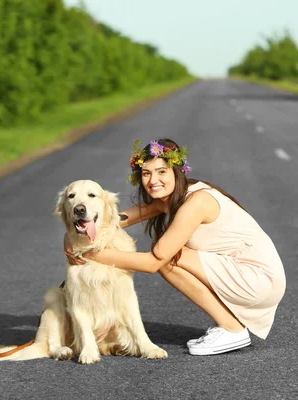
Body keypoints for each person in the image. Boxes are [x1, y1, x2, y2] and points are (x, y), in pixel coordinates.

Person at [64, 138, 286, 356]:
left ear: (177, 172)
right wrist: (74, 235)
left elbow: (152, 263)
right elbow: (114, 218)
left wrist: (92, 253)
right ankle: (230, 326)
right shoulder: (169, 199)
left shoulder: (197, 201)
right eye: (146, 173)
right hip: (250, 275)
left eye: (162, 172)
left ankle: (232, 328)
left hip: (258, 279)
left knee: (168, 257)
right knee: (167, 254)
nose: (153, 180)